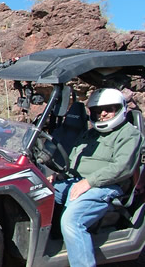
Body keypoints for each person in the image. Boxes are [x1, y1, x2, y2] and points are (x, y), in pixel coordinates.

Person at [51, 88, 140, 267]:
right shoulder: (90, 134)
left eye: (109, 109)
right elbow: (74, 162)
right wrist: (60, 175)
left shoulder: (129, 134)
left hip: (106, 186)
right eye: (98, 110)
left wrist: (89, 182)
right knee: (37, 193)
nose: (103, 114)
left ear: (120, 109)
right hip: (79, 181)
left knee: (72, 221)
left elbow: (122, 168)